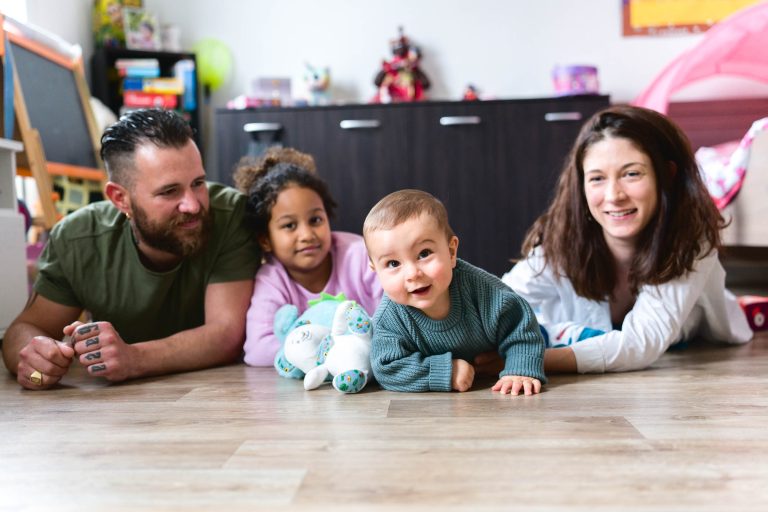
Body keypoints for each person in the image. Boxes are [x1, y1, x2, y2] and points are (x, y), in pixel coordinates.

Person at [2, 109, 261, 390]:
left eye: (198, 183)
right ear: (120, 198)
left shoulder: (230, 214)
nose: (194, 205)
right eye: (169, 191)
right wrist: (37, 364)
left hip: (220, 398)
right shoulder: (78, 239)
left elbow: (226, 334)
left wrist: (134, 359)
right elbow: (22, 332)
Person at [500, 105, 753, 374]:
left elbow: (640, 344)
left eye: (632, 174)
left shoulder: (691, 238)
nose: (614, 195)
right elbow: (497, 300)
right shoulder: (564, 236)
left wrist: (529, 359)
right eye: (597, 178)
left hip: (687, 332)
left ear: (667, 174)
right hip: (573, 331)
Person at [363, 189, 546, 395]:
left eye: (424, 254)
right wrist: (446, 371)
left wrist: (520, 369)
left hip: (525, 337)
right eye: (393, 263)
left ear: (451, 252)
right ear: (375, 270)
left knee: (547, 335)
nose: (413, 273)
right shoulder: (390, 318)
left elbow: (520, 327)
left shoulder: (486, 293)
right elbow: (386, 368)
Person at [234, 147, 382, 367]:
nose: (306, 235)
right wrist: (323, 348)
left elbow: (398, 314)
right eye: (289, 225)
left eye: (315, 220)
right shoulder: (272, 279)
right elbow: (257, 350)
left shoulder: (359, 255)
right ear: (265, 239)